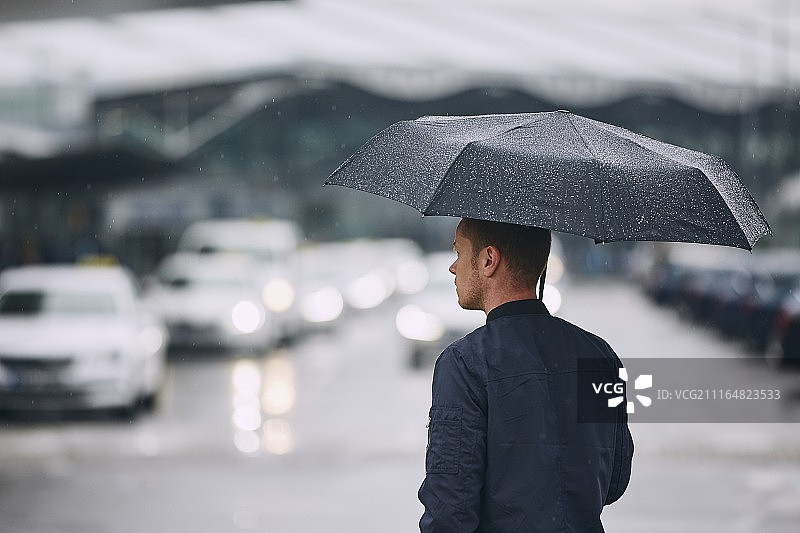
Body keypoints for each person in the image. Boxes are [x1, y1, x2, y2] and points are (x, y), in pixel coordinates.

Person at [418, 218, 634, 533]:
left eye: (459, 252)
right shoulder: (599, 356)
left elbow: (449, 510)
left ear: (488, 260)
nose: (453, 267)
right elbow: (614, 480)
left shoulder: (465, 363)